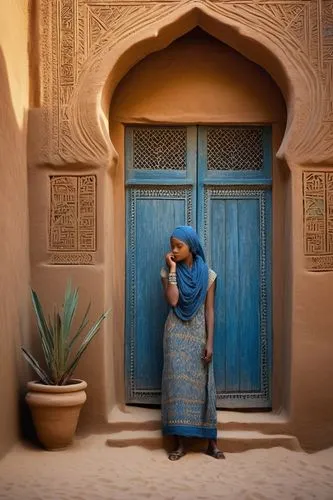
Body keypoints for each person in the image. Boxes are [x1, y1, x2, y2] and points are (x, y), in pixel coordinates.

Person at [160, 225, 225, 461]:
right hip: (175, 334)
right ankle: (179, 443)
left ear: (192, 247)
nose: (174, 250)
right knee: (177, 385)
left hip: (198, 334)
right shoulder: (167, 272)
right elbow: (174, 301)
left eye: (179, 246)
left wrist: (210, 342)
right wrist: (173, 269)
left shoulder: (209, 275)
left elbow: (209, 310)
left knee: (204, 384)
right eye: (172, 246)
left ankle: (211, 442)